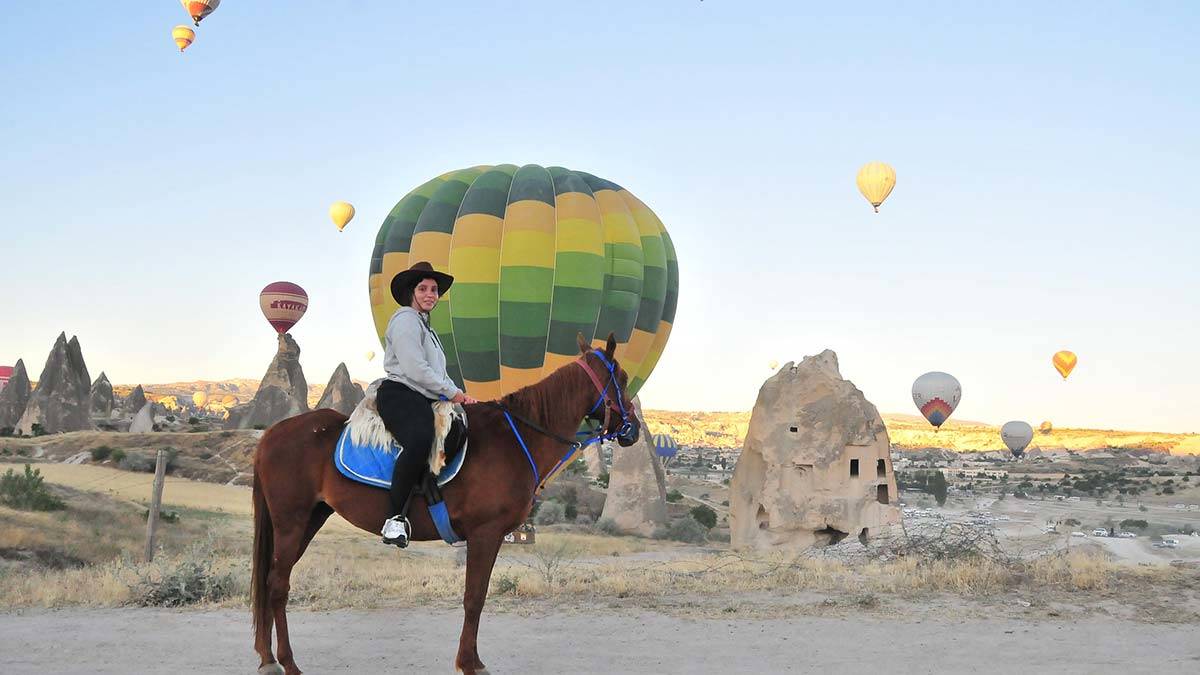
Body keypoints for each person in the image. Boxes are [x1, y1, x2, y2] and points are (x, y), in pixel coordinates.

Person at [378, 261, 477, 547]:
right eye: (423, 288)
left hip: (425, 395)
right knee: (421, 437)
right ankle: (394, 519)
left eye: (434, 290)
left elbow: (438, 373)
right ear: (411, 292)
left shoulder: (428, 329)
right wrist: (453, 392)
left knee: (458, 431)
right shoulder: (406, 320)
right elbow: (415, 369)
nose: (430, 294)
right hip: (401, 392)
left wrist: (460, 396)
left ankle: (436, 497)